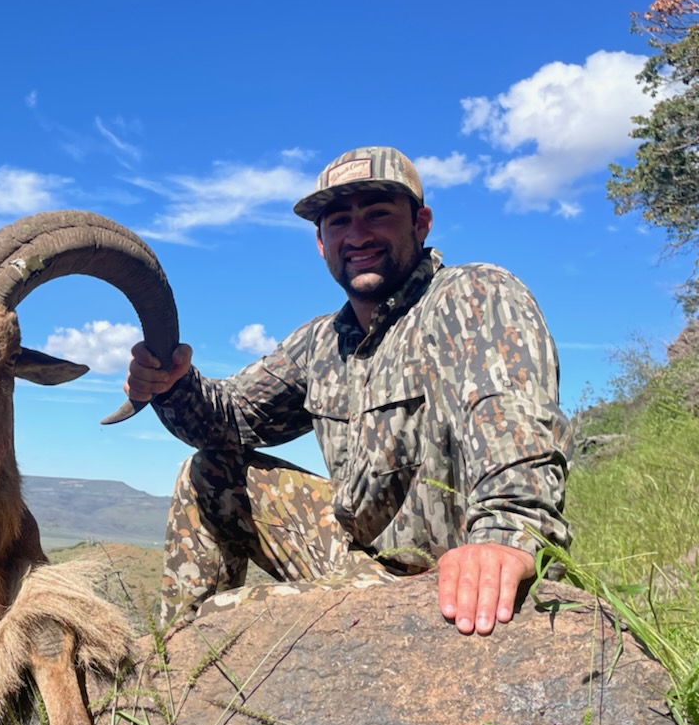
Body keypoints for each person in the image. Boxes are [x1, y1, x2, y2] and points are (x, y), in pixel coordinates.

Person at [126, 146, 571, 636]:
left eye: (378, 213)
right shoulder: (320, 342)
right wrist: (173, 386)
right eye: (339, 222)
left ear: (421, 223)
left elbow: (510, 417)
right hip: (360, 559)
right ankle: (174, 670)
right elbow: (228, 420)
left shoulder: (473, 296)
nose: (358, 235)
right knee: (210, 471)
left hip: (453, 574)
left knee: (233, 622)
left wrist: (505, 533)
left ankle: (203, 650)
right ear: (321, 243)